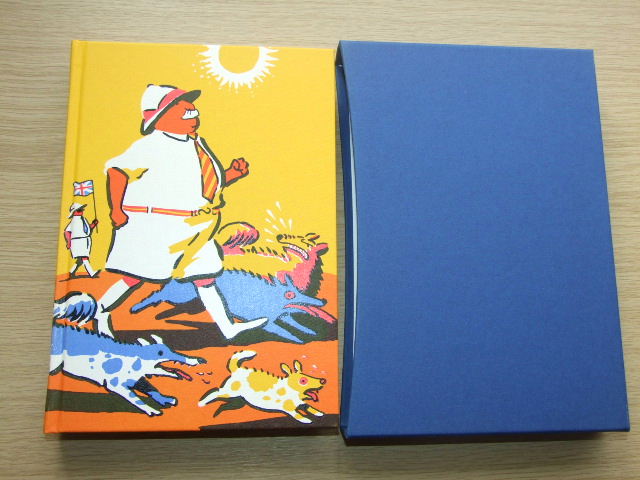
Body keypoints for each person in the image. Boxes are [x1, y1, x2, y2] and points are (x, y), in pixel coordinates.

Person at [94, 84, 266, 338]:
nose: (194, 116)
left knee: (205, 276)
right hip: (158, 225)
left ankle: (227, 328)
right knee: (137, 277)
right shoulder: (151, 145)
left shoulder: (197, 144)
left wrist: (231, 174)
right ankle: (99, 311)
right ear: (161, 117)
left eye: (194, 111)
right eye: (185, 112)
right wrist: (116, 211)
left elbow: (204, 185)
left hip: (196, 226)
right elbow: (117, 171)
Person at [64, 203, 99, 277]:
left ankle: (71, 272)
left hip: (85, 240)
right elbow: (67, 231)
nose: (81, 211)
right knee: (84, 257)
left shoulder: (83, 219)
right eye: (79, 210)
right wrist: (69, 242)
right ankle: (92, 273)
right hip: (78, 241)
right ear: (74, 212)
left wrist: (93, 224)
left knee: (80, 259)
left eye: (82, 209)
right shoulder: (74, 221)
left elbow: (87, 229)